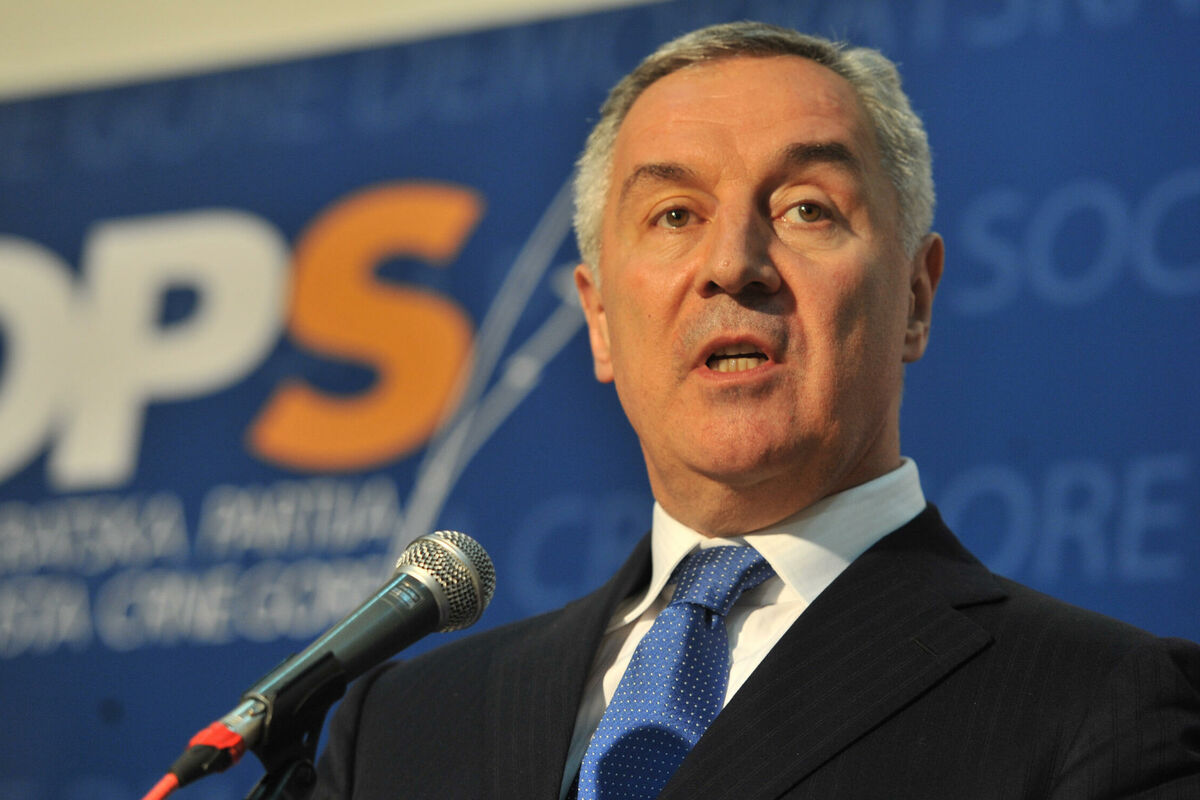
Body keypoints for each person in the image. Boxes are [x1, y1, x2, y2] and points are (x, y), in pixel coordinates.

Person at [312, 21, 1200, 799]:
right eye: (674, 216)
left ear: (916, 299)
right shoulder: (400, 728)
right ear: (600, 319)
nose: (732, 263)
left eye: (807, 209)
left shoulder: (1101, 701)